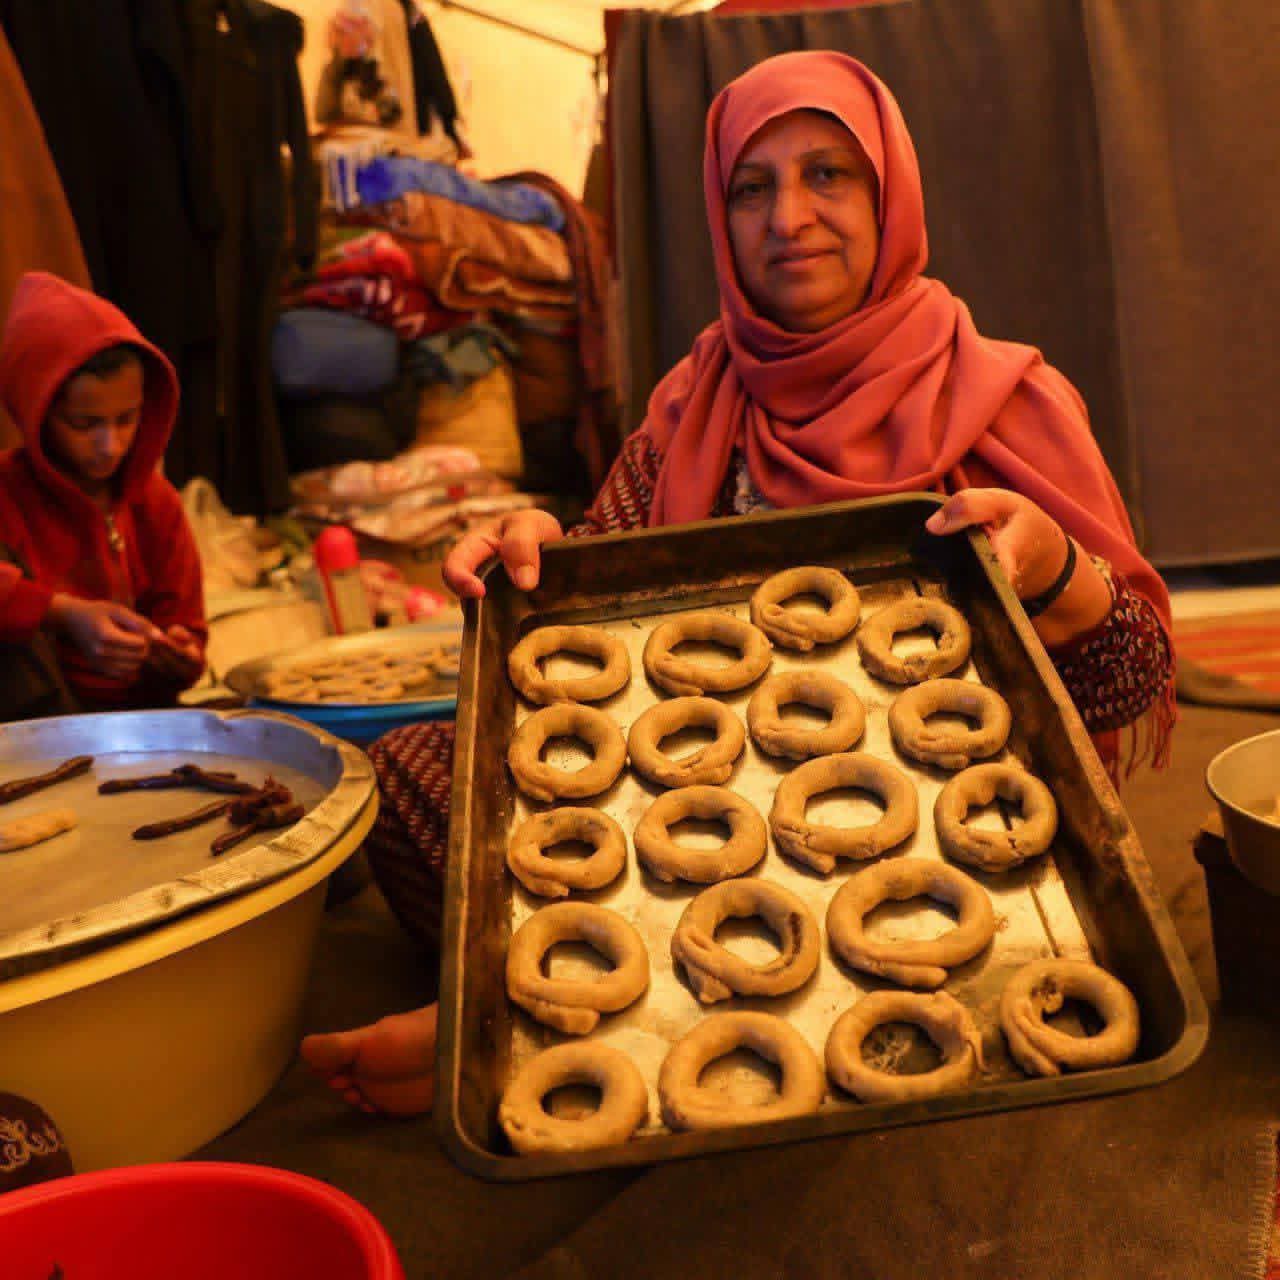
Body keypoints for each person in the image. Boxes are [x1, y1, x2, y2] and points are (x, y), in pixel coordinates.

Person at [301, 51, 1174, 1115]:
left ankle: (506, 1008)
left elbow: (1127, 679)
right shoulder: (697, 397)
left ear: (888, 189)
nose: (788, 217)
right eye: (750, 188)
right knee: (409, 777)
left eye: (827, 176)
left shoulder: (1003, 395)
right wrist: (538, 549)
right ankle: (580, 982)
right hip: (703, 783)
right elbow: (598, 593)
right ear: (719, 218)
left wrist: (1055, 572)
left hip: (933, 793)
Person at [0, 272, 206, 720]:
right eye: (84, 424)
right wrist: (61, 614)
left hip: (139, 723)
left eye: (126, 419)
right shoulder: (7, 491)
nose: (109, 445)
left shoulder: (156, 503)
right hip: (30, 729)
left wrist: (176, 653)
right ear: (35, 411)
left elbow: (185, 623)